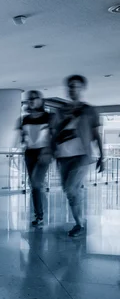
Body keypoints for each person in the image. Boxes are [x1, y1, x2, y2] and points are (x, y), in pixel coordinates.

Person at [53, 75, 104, 237]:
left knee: (70, 188)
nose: (72, 89)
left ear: (82, 89)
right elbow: (54, 133)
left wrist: (102, 156)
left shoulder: (89, 110)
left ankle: (79, 224)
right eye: (70, 86)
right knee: (69, 190)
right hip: (63, 156)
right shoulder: (60, 111)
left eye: (76, 86)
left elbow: (96, 134)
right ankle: (78, 221)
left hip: (82, 156)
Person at [17, 90, 54, 227]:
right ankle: (39, 216)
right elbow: (23, 135)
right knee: (34, 185)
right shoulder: (25, 118)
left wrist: (49, 151)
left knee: (36, 183)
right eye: (29, 98)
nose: (31, 100)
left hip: (43, 152)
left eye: (35, 98)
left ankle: (40, 216)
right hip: (30, 153)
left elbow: (54, 136)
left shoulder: (48, 117)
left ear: (41, 100)